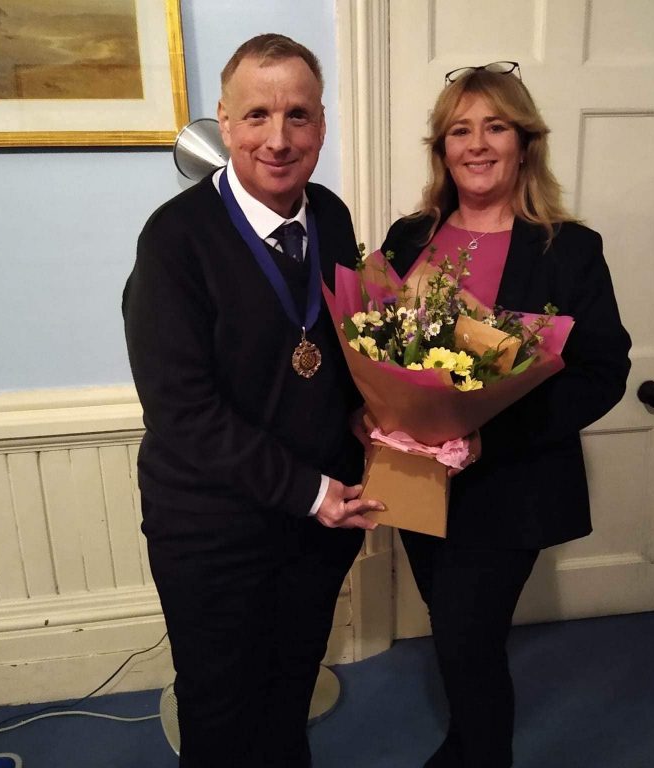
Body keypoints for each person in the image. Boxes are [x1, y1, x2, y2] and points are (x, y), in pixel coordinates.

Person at [122, 33, 382, 768]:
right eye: (257, 115)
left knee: (291, 685)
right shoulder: (174, 242)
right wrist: (310, 491)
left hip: (317, 523)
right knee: (220, 707)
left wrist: (368, 413)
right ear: (225, 123)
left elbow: (332, 352)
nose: (278, 138)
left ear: (322, 127)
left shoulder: (331, 217)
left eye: (298, 116)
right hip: (212, 525)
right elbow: (182, 412)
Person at [379, 62, 632, 767]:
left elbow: (603, 371)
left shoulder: (568, 249)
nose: (478, 144)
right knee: (454, 629)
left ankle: (479, 755)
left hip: (508, 482)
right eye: (461, 129)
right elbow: (371, 342)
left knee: (468, 638)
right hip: (415, 478)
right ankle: (466, 740)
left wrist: (491, 433)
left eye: (496, 126)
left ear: (525, 142)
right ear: (442, 149)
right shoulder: (408, 238)